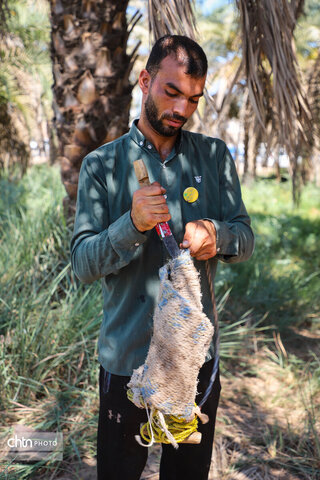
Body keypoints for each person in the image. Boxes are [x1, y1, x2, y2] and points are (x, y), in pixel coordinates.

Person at [70, 35, 254, 480]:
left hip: (195, 360)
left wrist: (217, 234)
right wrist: (130, 225)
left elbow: (245, 237)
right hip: (126, 360)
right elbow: (81, 264)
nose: (181, 109)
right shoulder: (102, 165)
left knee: (188, 474)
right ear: (145, 80)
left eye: (193, 99)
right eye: (171, 92)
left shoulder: (213, 157)